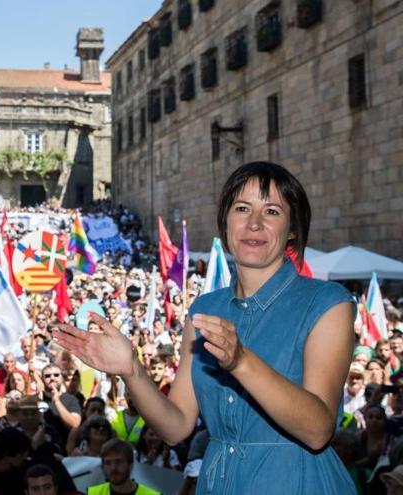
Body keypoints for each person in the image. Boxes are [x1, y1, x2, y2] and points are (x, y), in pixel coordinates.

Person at [56, 162, 358, 493]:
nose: (254, 223)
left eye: (271, 211)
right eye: (242, 208)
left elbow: (318, 430)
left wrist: (241, 362)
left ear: (292, 230)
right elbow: (176, 426)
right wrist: (132, 370)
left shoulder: (328, 302)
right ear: (226, 221)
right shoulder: (204, 309)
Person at [86, 439, 159, 495]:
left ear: (130, 465)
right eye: (108, 463)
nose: (113, 468)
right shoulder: (92, 493)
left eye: (118, 462)